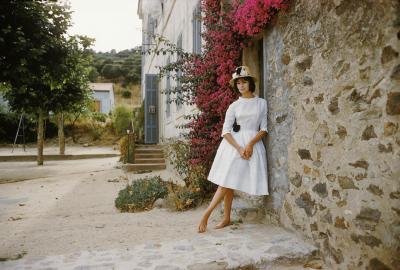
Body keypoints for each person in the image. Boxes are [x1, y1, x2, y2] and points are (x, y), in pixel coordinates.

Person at [198, 66, 269, 233]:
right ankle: (210, 215)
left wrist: (250, 144)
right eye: (238, 83)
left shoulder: (261, 103)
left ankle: (222, 217)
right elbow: (225, 131)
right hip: (233, 147)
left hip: (252, 146)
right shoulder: (234, 106)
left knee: (229, 182)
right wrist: (239, 148)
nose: (241, 85)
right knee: (226, 182)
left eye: (244, 82)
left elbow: (264, 129)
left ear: (250, 83)